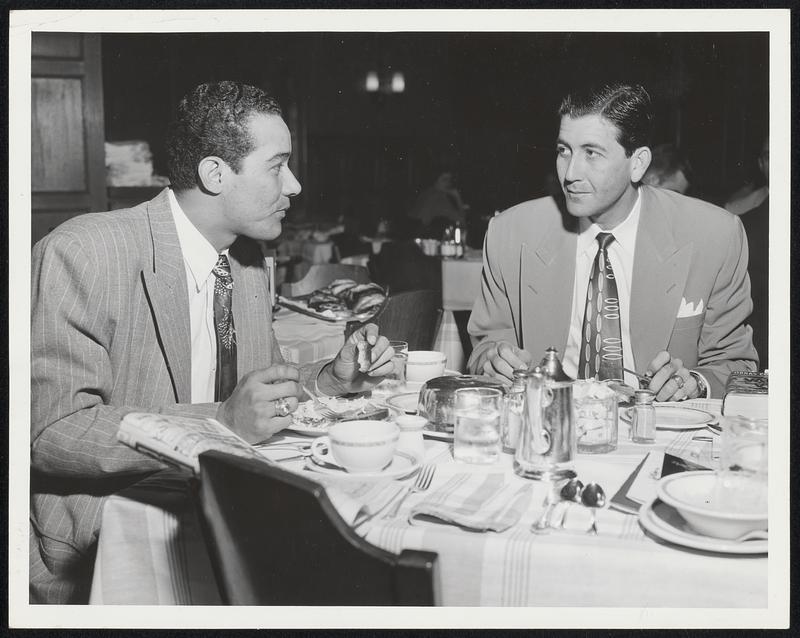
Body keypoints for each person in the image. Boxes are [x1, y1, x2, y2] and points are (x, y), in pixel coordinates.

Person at [30, 81, 395, 604]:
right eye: (277, 166)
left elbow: (261, 398)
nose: (294, 186)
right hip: (107, 543)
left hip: (212, 514)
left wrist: (332, 380)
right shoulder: (85, 251)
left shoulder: (243, 264)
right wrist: (216, 423)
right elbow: (51, 432)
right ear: (215, 173)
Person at [467, 83, 758, 400]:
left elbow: (736, 366)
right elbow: (486, 345)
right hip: (550, 422)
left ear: (638, 163)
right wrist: (493, 358)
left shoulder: (714, 236)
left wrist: (695, 382)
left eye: (591, 153)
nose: (570, 174)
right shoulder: (510, 234)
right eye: (564, 150)